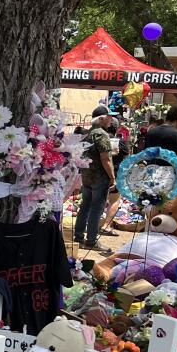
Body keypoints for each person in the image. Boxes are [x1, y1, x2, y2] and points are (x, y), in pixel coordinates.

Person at [73, 106, 116, 251]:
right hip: (99, 176)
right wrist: (112, 176)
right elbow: (106, 159)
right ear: (102, 118)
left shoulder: (87, 133)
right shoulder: (102, 134)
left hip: (87, 176)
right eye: (109, 116)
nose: (112, 119)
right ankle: (91, 240)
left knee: (85, 206)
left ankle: (78, 237)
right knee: (96, 209)